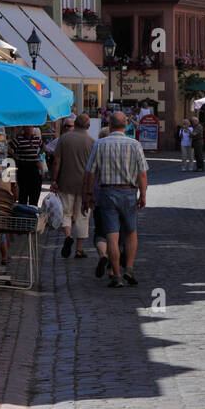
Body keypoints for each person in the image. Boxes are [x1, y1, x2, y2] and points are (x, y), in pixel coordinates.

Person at [82, 110, 148, 288]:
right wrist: (143, 194)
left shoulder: (100, 144)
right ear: (126, 126)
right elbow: (142, 174)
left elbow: (90, 173)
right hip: (128, 192)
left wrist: (88, 194)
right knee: (131, 231)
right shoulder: (134, 145)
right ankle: (129, 268)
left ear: (109, 126)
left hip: (107, 192)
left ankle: (116, 275)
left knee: (112, 234)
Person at [53, 115, 95, 260]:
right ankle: (79, 249)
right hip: (84, 185)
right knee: (83, 216)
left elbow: (57, 162)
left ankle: (68, 235)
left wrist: (54, 180)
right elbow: (93, 168)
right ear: (88, 126)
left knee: (65, 212)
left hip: (66, 182)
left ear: (75, 124)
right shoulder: (92, 142)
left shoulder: (64, 139)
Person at [11, 126, 45, 207]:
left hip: (34, 167)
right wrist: (14, 155)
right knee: (23, 193)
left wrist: (39, 154)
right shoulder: (19, 139)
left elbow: (43, 146)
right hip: (23, 167)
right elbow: (9, 146)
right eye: (27, 127)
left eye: (30, 127)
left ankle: (33, 211)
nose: (29, 129)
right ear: (24, 129)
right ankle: (23, 212)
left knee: (34, 192)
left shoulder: (36, 138)